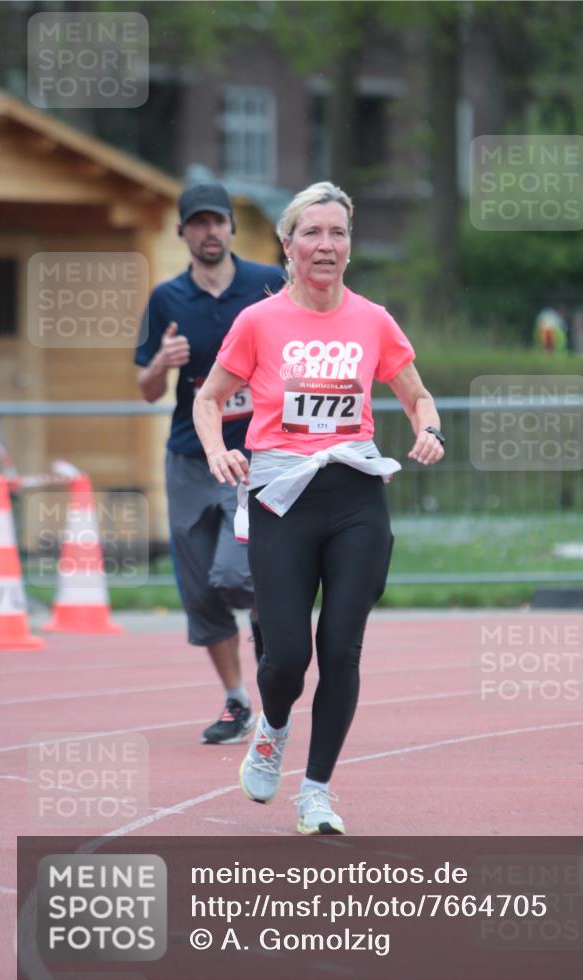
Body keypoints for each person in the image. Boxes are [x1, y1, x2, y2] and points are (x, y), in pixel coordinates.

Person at [193, 181, 444, 834]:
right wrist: (220, 451)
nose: (325, 245)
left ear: (349, 247)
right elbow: (208, 398)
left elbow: (417, 395)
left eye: (337, 233)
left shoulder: (372, 319)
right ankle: (272, 727)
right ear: (287, 245)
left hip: (355, 494)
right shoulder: (258, 321)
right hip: (282, 498)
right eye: (312, 233)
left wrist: (428, 430)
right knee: (285, 659)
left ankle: (316, 791)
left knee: (341, 649)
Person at [135, 182, 286, 745]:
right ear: (183, 233)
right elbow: (146, 389)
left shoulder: (265, 286)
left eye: (217, 221)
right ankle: (236, 700)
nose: (209, 231)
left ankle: (273, 636)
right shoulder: (166, 299)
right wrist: (162, 364)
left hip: (256, 455)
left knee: (234, 573)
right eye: (197, 223)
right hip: (190, 458)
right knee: (200, 591)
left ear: (231, 228)